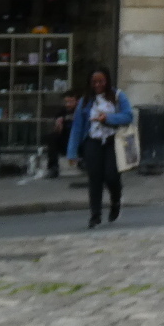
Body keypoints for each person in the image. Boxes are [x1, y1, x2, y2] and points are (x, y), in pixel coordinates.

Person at [66, 66, 133, 229]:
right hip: (93, 141)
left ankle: (116, 201)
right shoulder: (85, 101)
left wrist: (108, 118)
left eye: (101, 81)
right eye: (94, 82)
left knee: (111, 176)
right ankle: (95, 215)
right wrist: (72, 152)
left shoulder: (117, 96)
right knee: (94, 178)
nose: (98, 85)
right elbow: (77, 127)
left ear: (107, 81)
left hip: (113, 141)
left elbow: (128, 115)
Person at [45, 91, 81, 178]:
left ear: (77, 101)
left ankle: (84, 161)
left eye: (71, 102)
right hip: (66, 140)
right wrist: (58, 125)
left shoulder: (81, 110)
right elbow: (57, 129)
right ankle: (53, 168)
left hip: (79, 140)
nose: (68, 104)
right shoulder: (62, 112)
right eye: (66, 102)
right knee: (52, 137)